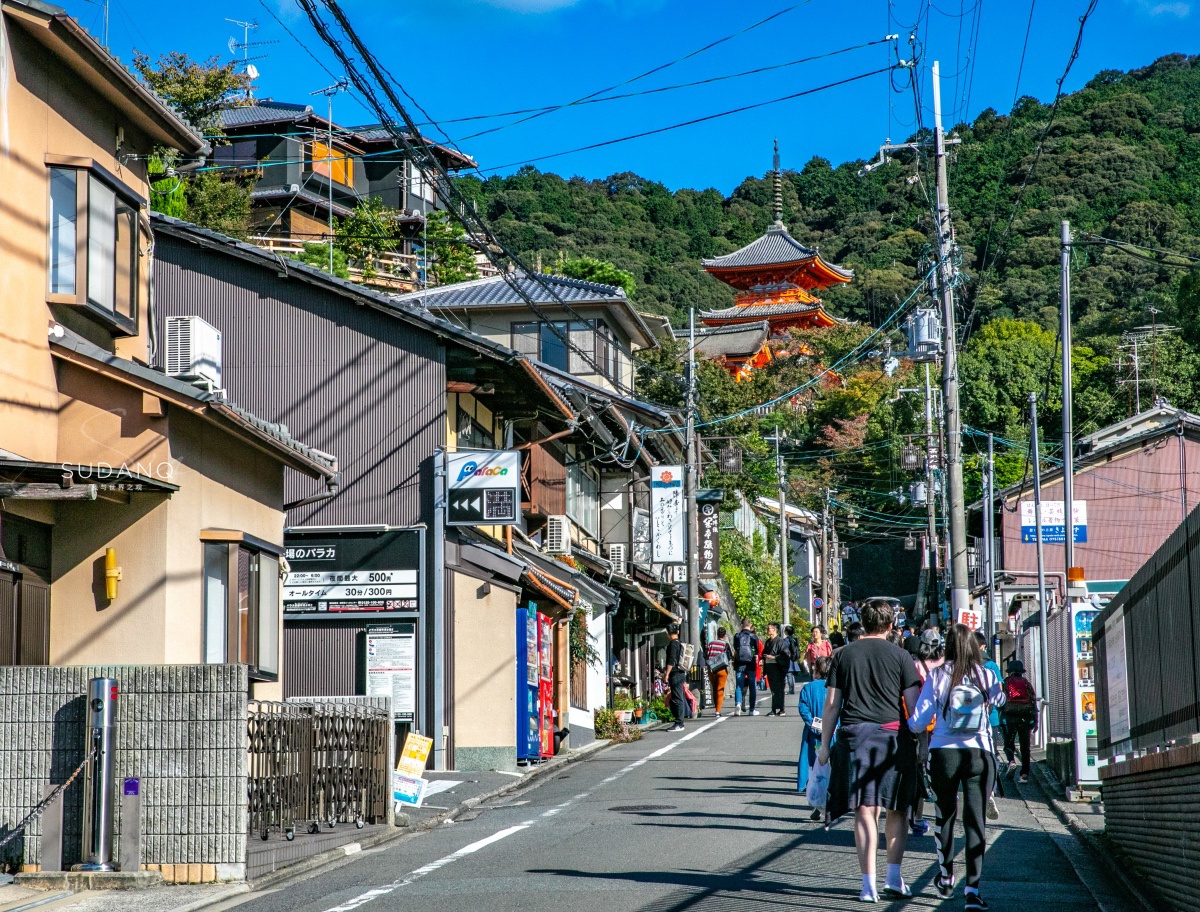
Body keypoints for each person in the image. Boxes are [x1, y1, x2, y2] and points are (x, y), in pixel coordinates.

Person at [818, 598, 922, 902]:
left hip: (854, 738)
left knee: (864, 810)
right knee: (897, 808)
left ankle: (868, 885)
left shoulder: (842, 656)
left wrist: (825, 745)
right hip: (893, 738)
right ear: (891, 626)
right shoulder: (902, 656)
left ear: (863, 623)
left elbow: (832, 704)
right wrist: (923, 744)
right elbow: (914, 707)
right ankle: (893, 877)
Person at [907, 624, 1005, 911]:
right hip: (980, 754)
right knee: (975, 820)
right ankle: (973, 889)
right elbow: (1000, 699)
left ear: (947, 646)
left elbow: (918, 721)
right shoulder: (986, 674)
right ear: (974, 647)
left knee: (945, 815)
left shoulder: (937, 675)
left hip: (943, 753)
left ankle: (946, 878)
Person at [908, 628, 943, 838]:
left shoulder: (914, 666)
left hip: (921, 723)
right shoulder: (945, 666)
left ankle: (917, 817)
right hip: (943, 726)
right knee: (940, 771)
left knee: (919, 768)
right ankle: (942, 817)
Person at [798, 655, 832, 820]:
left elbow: (803, 707)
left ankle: (817, 803)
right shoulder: (836, 688)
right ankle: (829, 804)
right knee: (833, 769)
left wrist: (812, 722)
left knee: (815, 769)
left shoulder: (808, 688)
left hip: (813, 736)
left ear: (817, 669)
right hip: (834, 734)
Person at [975, 631, 1005, 820]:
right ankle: (990, 792)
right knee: (990, 757)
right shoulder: (991, 665)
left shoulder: (963, 666)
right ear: (984, 646)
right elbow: (1000, 694)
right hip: (990, 719)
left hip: (966, 723)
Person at [1001, 660, 1037, 783]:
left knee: (1008, 743)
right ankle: (1024, 775)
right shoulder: (1026, 683)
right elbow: (1033, 701)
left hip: (1010, 716)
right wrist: (1035, 720)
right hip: (1025, 716)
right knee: (1025, 746)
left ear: (1010, 671)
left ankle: (1011, 761)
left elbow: (1001, 700)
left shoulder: (1006, 682)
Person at [662, 623, 688, 732]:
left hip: (675, 674)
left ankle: (679, 723)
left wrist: (666, 674)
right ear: (677, 632)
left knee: (677, 698)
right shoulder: (680, 643)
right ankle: (679, 722)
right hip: (681, 672)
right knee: (678, 697)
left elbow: (671, 660)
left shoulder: (673, 644)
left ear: (668, 634)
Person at [732, 620, 761, 716]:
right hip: (750, 664)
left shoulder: (737, 636)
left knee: (739, 685)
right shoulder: (753, 637)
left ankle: (738, 704)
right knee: (752, 687)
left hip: (739, 663)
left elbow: (736, 648)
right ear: (751, 625)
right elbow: (756, 650)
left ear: (741, 625)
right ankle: (752, 710)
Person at [705, 628, 734, 717]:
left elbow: (706, 655)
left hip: (712, 669)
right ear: (725, 635)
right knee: (720, 689)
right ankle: (718, 711)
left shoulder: (710, 644)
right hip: (721, 669)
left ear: (717, 634)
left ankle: (715, 706)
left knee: (714, 688)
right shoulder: (725, 644)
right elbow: (729, 656)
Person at [764, 623, 791, 716]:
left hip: (778, 667)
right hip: (770, 667)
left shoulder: (780, 641)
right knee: (773, 689)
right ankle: (774, 709)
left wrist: (774, 657)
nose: (768, 629)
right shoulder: (768, 641)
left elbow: (786, 654)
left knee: (778, 688)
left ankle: (781, 709)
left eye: (770, 628)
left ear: (775, 630)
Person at [785, 625, 802, 694]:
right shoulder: (795, 639)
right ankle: (792, 689)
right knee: (791, 675)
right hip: (794, 658)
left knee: (789, 674)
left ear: (786, 632)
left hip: (788, 659)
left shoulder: (786, 640)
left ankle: (791, 690)